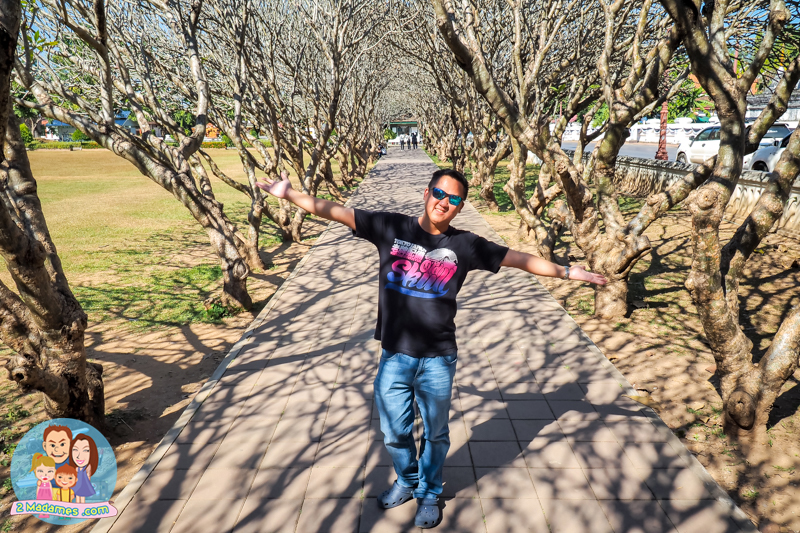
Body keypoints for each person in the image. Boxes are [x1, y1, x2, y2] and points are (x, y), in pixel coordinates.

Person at [256, 168, 606, 529]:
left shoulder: (466, 245)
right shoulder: (392, 227)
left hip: (438, 357)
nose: (444, 203)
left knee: (436, 434)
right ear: (426, 193)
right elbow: (334, 211)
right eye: (439, 193)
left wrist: (568, 272)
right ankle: (407, 480)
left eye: (454, 199)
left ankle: (429, 492)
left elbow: (519, 259)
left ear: (460, 206)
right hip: (395, 354)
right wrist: (290, 194)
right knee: (394, 432)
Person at [70, 434, 98, 503]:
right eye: (75, 450)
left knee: (82, 497)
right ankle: (77, 506)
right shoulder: (76, 468)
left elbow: (88, 475)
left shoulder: (88, 467)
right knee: (77, 497)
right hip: (77, 484)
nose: (79, 456)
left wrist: (88, 483)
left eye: (86, 450)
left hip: (84, 484)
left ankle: (82, 506)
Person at [30, 453, 55, 518]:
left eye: (49, 471)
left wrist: (52, 496)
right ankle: (41, 513)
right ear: (35, 470)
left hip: (48, 495)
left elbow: (50, 489)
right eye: (41, 471)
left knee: (47, 503)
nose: (45, 474)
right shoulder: (39, 482)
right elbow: (38, 489)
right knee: (41, 503)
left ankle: (47, 513)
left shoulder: (49, 482)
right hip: (41, 495)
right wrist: (37, 496)